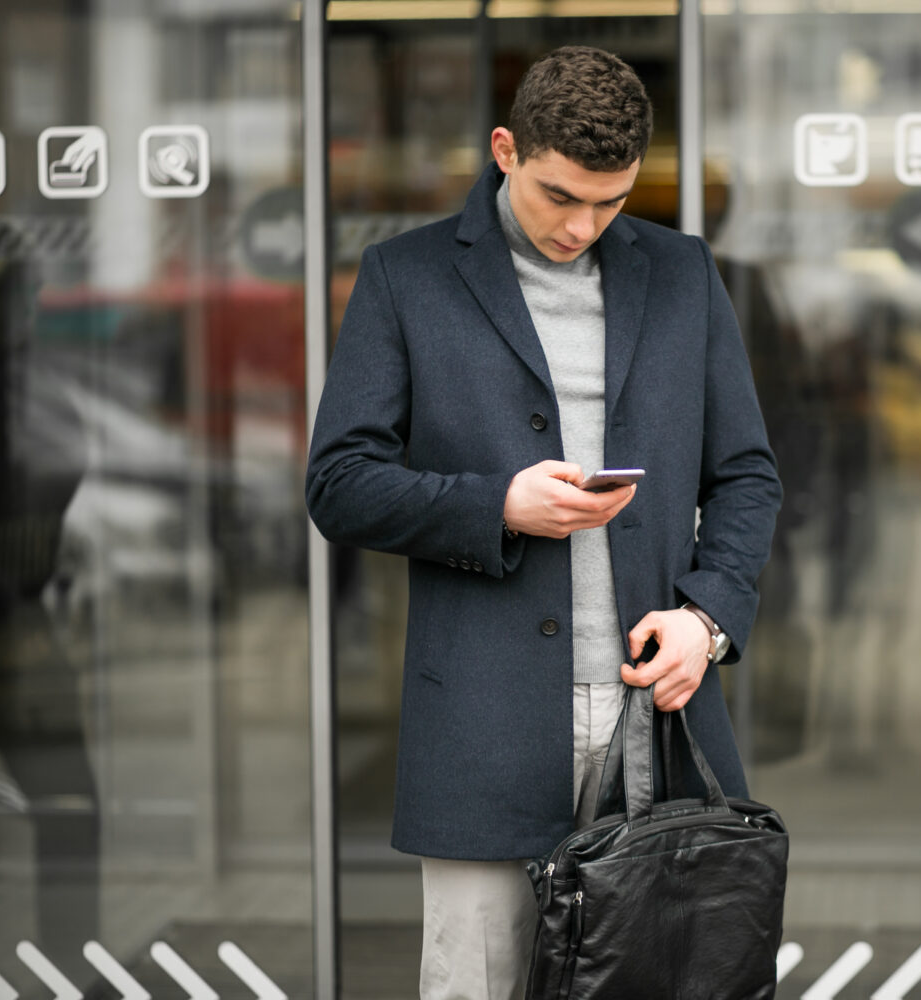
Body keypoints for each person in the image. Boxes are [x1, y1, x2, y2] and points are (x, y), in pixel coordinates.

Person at [304, 46, 782, 1000]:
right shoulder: (407, 277)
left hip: (656, 721)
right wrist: (498, 506)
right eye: (562, 196)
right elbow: (339, 483)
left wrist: (707, 620)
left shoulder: (683, 275)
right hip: (480, 724)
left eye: (609, 203)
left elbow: (747, 476)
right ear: (505, 150)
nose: (583, 225)